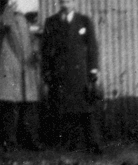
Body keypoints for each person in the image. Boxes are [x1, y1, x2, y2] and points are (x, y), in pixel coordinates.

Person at [41, 0, 101, 153]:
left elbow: (92, 47)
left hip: (79, 73)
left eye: (68, 2)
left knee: (85, 108)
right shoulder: (51, 22)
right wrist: (46, 72)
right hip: (60, 74)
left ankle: (94, 144)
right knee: (64, 109)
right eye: (62, 2)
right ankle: (70, 144)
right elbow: (45, 50)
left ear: (74, 3)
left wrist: (93, 70)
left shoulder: (84, 21)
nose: (65, 5)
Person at [0, 0, 41, 151]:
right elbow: (1, 26)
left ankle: (31, 140)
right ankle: (10, 142)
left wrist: (35, 51)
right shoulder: (3, 15)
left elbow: (30, 39)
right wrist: (8, 10)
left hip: (26, 67)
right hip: (11, 67)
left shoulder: (22, 18)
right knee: (11, 105)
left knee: (29, 105)